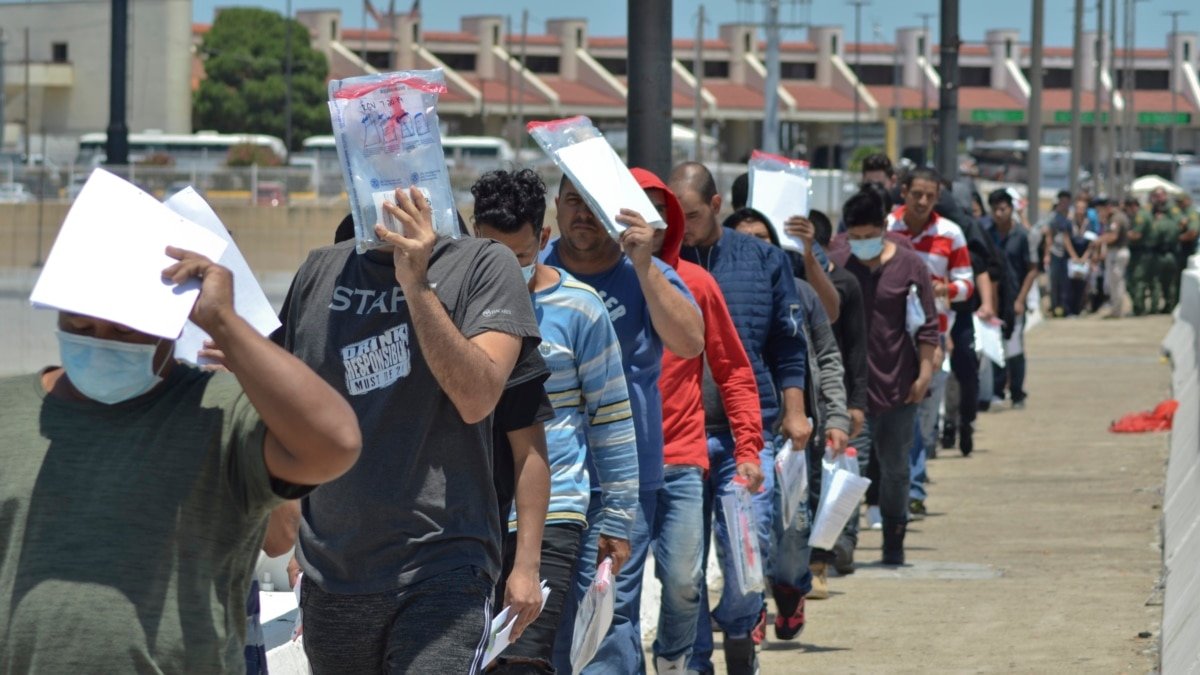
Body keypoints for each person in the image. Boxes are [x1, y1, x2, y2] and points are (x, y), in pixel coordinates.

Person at [1, 246, 361, 672]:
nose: (100, 341)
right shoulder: (11, 411)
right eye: (80, 325)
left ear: (169, 327)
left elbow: (335, 444)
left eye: (123, 330)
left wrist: (226, 325)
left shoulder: (220, 410)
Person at [278, 187, 542, 674]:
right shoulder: (318, 270)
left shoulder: (484, 266)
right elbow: (288, 416)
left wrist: (417, 285)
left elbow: (479, 399)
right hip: (332, 571)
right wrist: (293, 530)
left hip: (443, 566)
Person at [470, 169, 640, 674]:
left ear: (543, 240)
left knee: (525, 658)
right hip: (472, 512)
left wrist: (618, 519)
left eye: (517, 258)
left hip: (557, 508)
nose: (502, 271)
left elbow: (610, 418)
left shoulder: (582, 310)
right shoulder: (456, 305)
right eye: (488, 253)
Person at [545, 175, 705, 675]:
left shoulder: (647, 272)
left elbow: (689, 341)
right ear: (556, 207)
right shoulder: (536, 270)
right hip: (544, 476)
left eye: (593, 205)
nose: (582, 215)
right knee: (553, 614)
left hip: (626, 477)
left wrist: (642, 266)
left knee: (609, 610)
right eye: (572, 201)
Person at [670, 161, 812, 675]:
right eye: (672, 217)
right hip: (680, 437)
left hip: (746, 437)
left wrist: (795, 413)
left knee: (745, 554)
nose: (679, 228)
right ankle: (700, 660)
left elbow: (787, 346)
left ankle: (738, 627)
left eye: (689, 215)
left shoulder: (764, 260)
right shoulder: (657, 264)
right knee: (682, 569)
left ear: (715, 207)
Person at [634, 168, 765, 673]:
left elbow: (733, 370)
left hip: (681, 458)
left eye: (659, 214)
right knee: (616, 591)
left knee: (685, 581)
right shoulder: (590, 282)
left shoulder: (696, 284)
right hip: (614, 463)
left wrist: (749, 447)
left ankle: (672, 662)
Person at [730, 209, 851, 604]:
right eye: (743, 238)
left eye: (762, 238)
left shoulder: (801, 292)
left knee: (794, 528)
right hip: (739, 432)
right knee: (749, 524)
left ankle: (788, 589)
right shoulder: (717, 291)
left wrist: (835, 416)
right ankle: (753, 608)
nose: (753, 246)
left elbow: (828, 357)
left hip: (793, 437)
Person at [829, 186, 938, 566]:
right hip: (851, 391)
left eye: (868, 237)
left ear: (884, 229)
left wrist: (924, 375)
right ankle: (843, 542)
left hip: (899, 387)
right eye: (854, 237)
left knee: (894, 470)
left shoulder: (910, 266)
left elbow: (928, 326)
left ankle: (894, 537)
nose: (860, 245)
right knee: (848, 470)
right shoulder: (837, 262)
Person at [809, 208, 871, 573]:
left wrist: (854, 402)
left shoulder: (845, 284)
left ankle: (841, 543)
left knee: (840, 477)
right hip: (803, 403)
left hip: (837, 398)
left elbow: (852, 349)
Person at [982, 189, 1038, 408]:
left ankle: (1017, 392)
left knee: (1014, 348)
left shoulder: (1023, 236)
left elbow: (1032, 270)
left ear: (1011, 209)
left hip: (1014, 298)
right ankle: (996, 390)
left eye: (1003, 208)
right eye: (995, 209)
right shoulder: (986, 233)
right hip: (994, 299)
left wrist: (1021, 300)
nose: (999, 213)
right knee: (994, 345)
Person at [1064, 197, 1097, 317]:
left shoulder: (1089, 223)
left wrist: (1084, 257)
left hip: (1084, 256)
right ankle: (1069, 310)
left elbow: (1091, 242)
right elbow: (1066, 239)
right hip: (1072, 257)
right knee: (1069, 285)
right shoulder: (1069, 223)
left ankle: (1078, 308)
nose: (1080, 210)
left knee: (1082, 285)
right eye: (1078, 208)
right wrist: (1073, 256)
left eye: (1082, 208)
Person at [1045, 190, 1074, 317]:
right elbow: (1049, 236)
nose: (1064, 204)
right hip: (1056, 253)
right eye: (1062, 201)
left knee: (1066, 283)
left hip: (1067, 255)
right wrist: (1047, 254)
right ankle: (1055, 306)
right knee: (1054, 281)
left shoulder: (1071, 217)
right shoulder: (1054, 217)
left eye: (1067, 201)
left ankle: (1064, 307)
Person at [1102, 199, 1134, 318]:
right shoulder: (1122, 216)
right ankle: (1117, 309)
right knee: (1118, 281)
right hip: (1121, 251)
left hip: (1117, 252)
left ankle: (1117, 310)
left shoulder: (1116, 218)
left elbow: (1113, 236)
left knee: (1116, 282)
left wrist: (1100, 240)